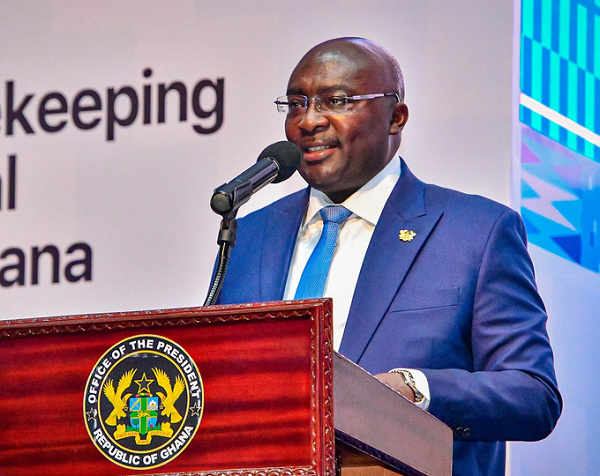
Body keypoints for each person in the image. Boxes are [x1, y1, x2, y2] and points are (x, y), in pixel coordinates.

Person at [215, 37, 561, 476]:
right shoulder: (248, 234)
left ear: (396, 117)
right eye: (296, 103)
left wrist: (417, 389)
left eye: (336, 100)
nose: (309, 121)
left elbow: (533, 395)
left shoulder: (477, 232)